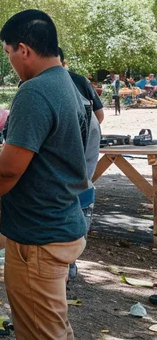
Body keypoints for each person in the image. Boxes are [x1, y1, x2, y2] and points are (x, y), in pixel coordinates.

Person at [0, 10, 89, 340]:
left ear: (24, 49)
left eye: (8, 53)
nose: (11, 62)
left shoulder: (34, 91)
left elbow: (8, 170)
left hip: (39, 235)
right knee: (54, 330)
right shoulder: (69, 85)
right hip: (61, 223)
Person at [58, 48, 103, 281]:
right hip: (82, 157)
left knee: (72, 201)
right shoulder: (76, 80)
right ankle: (70, 261)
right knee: (80, 196)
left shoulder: (39, 84)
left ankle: (68, 262)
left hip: (69, 161)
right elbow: (99, 116)